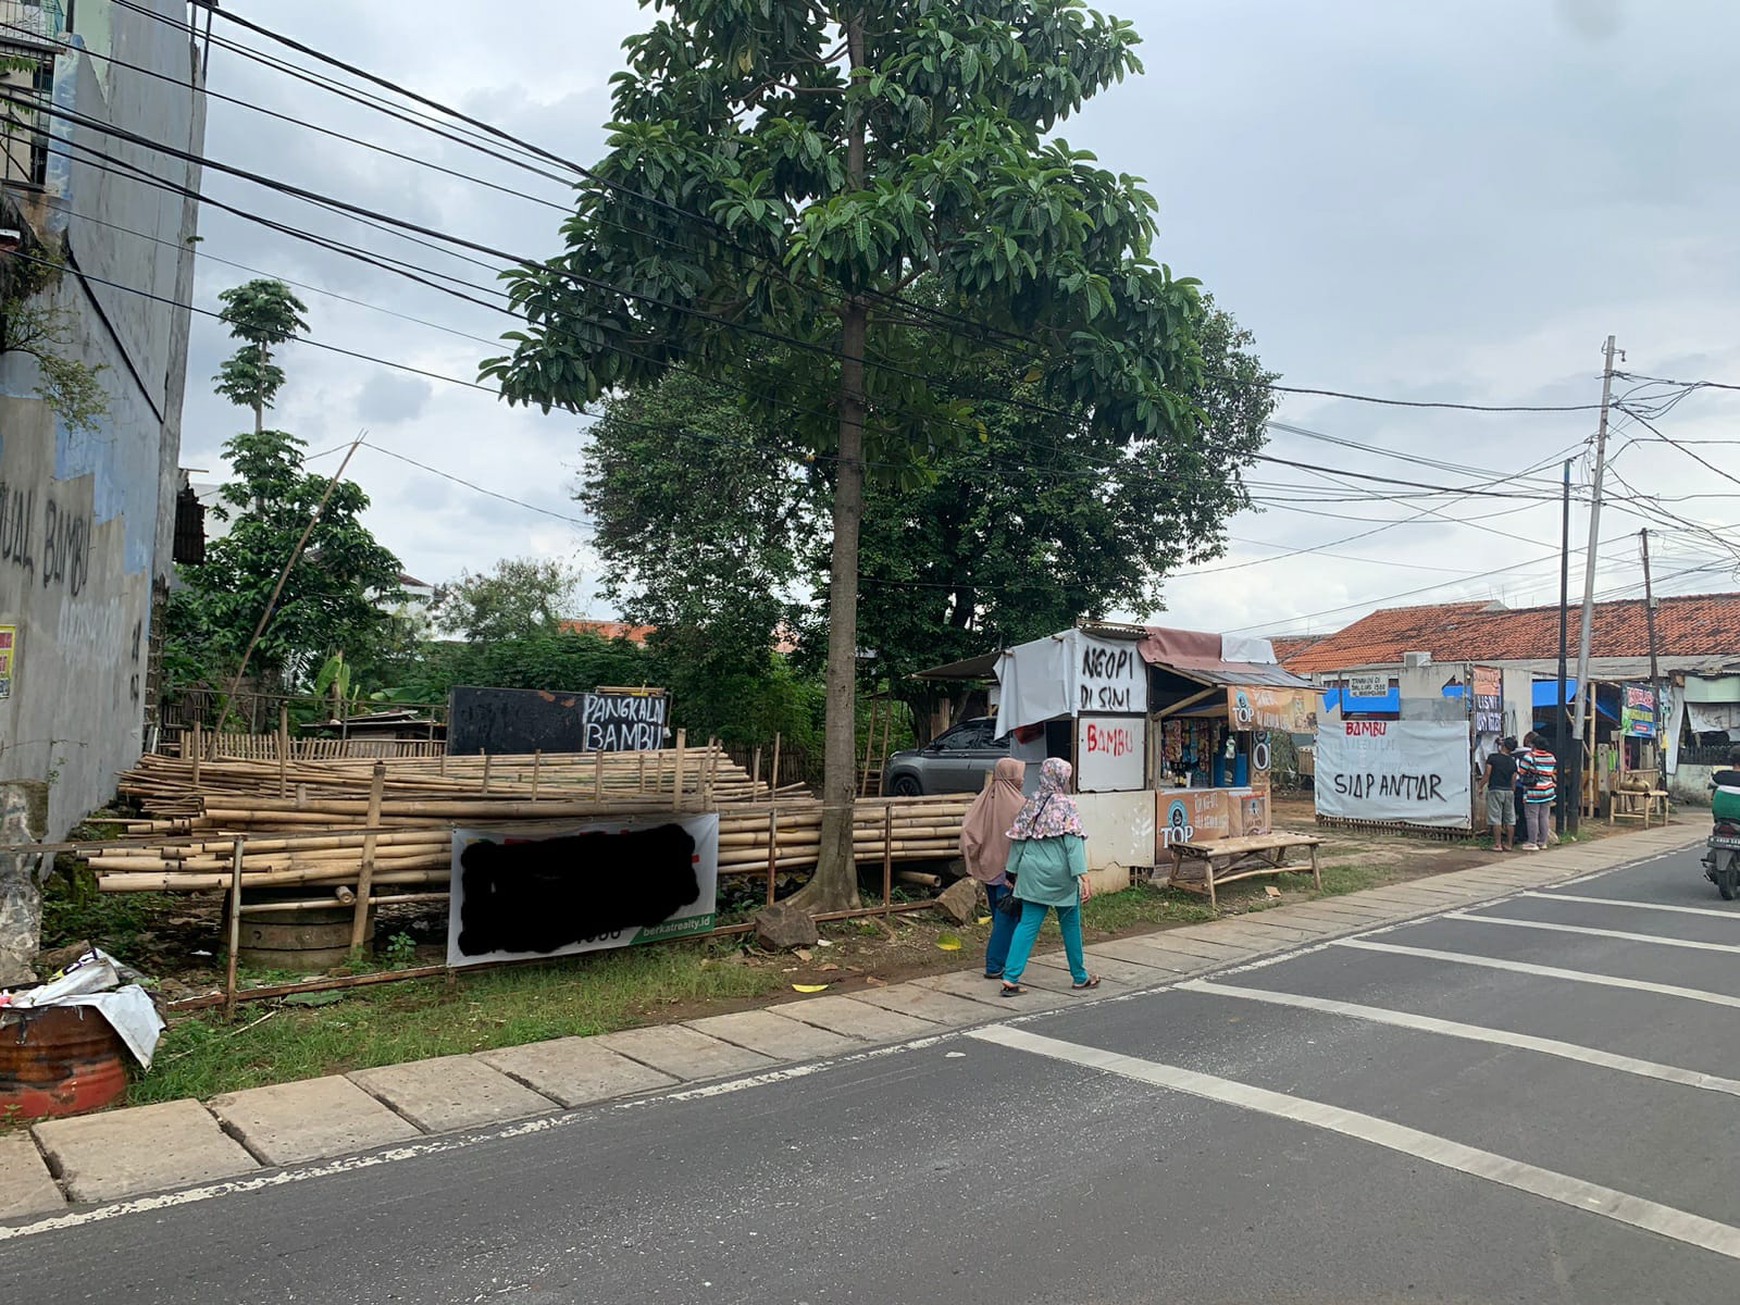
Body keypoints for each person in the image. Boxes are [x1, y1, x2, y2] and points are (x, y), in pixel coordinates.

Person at [997, 757, 1100, 997]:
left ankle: (1010, 978)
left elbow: (1019, 839)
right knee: (1071, 925)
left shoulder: (1031, 802)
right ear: (1062, 778)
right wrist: (1083, 876)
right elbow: (1073, 844)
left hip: (1031, 872)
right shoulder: (1067, 805)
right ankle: (1079, 976)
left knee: (1028, 925)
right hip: (1060, 875)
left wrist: (1011, 872)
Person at [959, 757, 1029, 980]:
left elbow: (968, 831)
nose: (1022, 779)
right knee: (1007, 919)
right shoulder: (1019, 805)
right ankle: (995, 964)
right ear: (1011, 777)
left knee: (1000, 918)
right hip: (1009, 872)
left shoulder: (985, 798)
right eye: (1019, 774)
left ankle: (1004, 960)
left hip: (988, 869)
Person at [1516, 732, 1559, 850]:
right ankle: (1543, 842)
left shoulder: (1530, 756)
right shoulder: (1551, 757)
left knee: (1532, 816)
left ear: (1534, 745)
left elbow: (1521, 771)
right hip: (1548, 790)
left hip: (1534, 791)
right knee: (1544, 816)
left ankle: (1532, 842)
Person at [1481, 738, 1518, 851]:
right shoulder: (1512, 761)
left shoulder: (1493, 758)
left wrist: (1480, 786)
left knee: (1495, 817)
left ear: (1504, 746)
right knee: (1510, 818)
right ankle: (1509, 844)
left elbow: (1487, 774)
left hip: (1495, 789)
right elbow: (1514, 779)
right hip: (1509, 791)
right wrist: (1512, 790)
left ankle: (1498, 844)